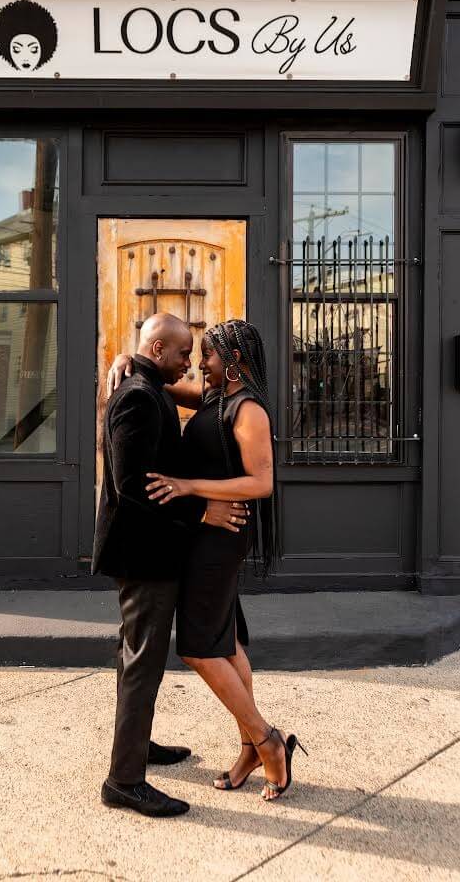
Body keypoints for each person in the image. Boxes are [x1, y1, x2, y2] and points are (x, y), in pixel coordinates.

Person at [109, 320, 307, 802]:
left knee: (200, 646)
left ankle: (267, 739)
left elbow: (261, 482)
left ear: (234, 360)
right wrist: (123, 361)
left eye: (209, 356)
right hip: (202, 533)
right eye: (194, 355)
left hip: (220, 538)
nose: (200, 363)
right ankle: (250, 748)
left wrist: (193, 489)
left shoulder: (249, 409)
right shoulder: (215, 397)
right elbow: (159, 380)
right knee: (229, 642)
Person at [93, 312, 249, 818]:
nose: (190, 363)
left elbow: (203, 403)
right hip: (144, 555)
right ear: (159, 350)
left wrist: (124, 356)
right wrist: (203, 507)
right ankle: (124, 781)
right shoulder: (138, 394)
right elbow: (132, 484)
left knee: (141, 659)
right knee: (141, 661)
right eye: (184, 353)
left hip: (156, 549)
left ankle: (138, 748)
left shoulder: (149, 384)